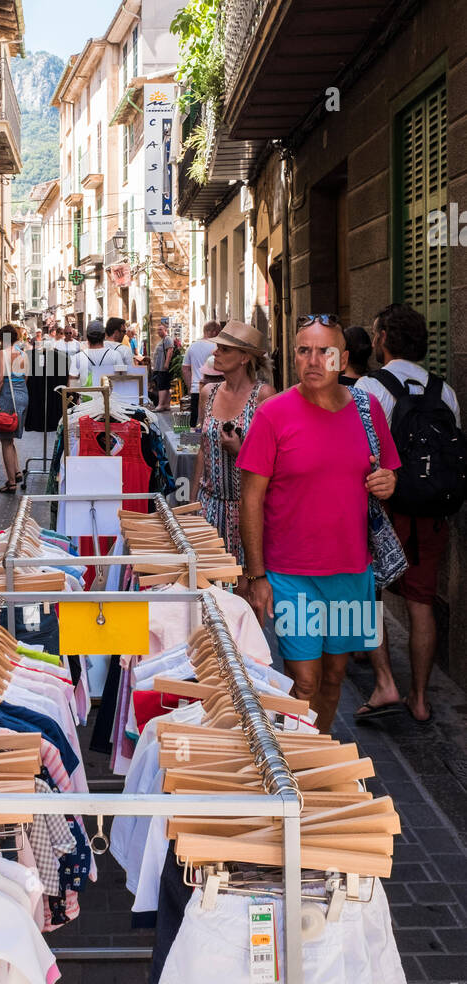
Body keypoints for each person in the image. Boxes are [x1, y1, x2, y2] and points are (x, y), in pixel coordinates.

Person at [238, 313, 399, 733]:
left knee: (334, 678)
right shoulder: (273, 414)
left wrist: (388, 482)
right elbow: (250, 499)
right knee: (305, 680)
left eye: (324, 351)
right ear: (293, 357)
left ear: (342, 358)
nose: (313, 360)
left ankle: (315, 755)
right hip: (292, 574)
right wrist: (256, 575)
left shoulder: (368, 410)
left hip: (352, 571)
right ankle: (293, 771)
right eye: (303, 350)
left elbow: (389, 477)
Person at [353, 304, 462, 724]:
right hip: (430, 513)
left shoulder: (370, 387)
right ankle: (419, 699)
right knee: (421, 602)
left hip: (383, 510)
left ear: (381, 339)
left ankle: (386, 684)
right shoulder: (444, 391)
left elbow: (358, 452)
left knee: (368, 596)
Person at [190, 321, 276, 591]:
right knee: (208, 591)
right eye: (217, 348)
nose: (215, 353)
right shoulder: (208, 392)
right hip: (210, 506)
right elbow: (203, 449)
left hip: (246, 509)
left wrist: (240, 452)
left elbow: (273, 461)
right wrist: (193, 502)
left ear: (244, 358)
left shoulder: (264, 396)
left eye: (224, 349)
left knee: (243, 591)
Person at [0, 324, 30, 494]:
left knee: (5, 440)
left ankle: (12, 482)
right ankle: (17, 471)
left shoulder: (2, 354)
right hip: (22, 395)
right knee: (11, 436)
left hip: (8, 395)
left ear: (2, 338)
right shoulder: (23, 354)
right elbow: (26, 377)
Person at [182, 321, 221, 425]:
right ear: (213, 332)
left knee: (195, 420)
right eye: (218, 332)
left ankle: (193, 440)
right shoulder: (217, 346)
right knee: (212, 420)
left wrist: (190, 387)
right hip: (214, 388)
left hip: (196, 389)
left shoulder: (192, 346)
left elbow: (185, 369)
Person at [70, 320, 127, 388]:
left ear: (87, 337)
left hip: (87, 398)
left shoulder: (77, 358)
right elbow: (123, 379)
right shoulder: (116, 355)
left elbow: (72, 386)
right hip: (110, 397)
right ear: (104, 336)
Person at [151, 321, 174, 411]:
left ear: (165, 330)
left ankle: (160, 405)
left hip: (163, 368)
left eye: (160, 329)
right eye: (158, 330)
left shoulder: (167, 339)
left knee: (162, 386)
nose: (158, 331)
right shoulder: (162, 340)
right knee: (166, 386)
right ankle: (166, 405)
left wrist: (166, 363)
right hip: (160, 368)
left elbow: (170, 351)